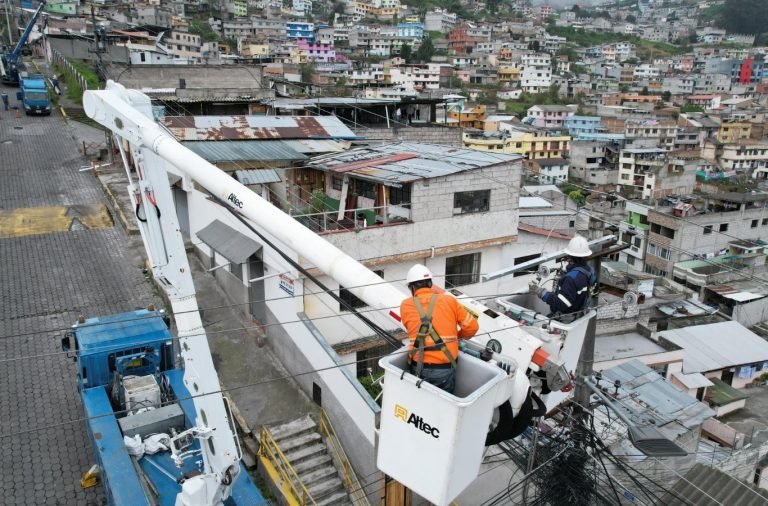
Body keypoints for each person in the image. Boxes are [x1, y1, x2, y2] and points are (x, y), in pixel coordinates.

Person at [400, 264, 479, 393]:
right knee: (443, 407)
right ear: (430, 283)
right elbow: (472, 326)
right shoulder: (449, 301)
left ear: (412, 287)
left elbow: (411, 328)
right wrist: (455, 338)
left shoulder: (405, 305)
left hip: (417, 367)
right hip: (444, 369)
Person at [530, 235, 594, 317]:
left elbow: (561, 304)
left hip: (566, 318)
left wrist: (541, 292)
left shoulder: (570, 279)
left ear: (570, 256)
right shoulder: (587, 270)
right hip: (578, 312)